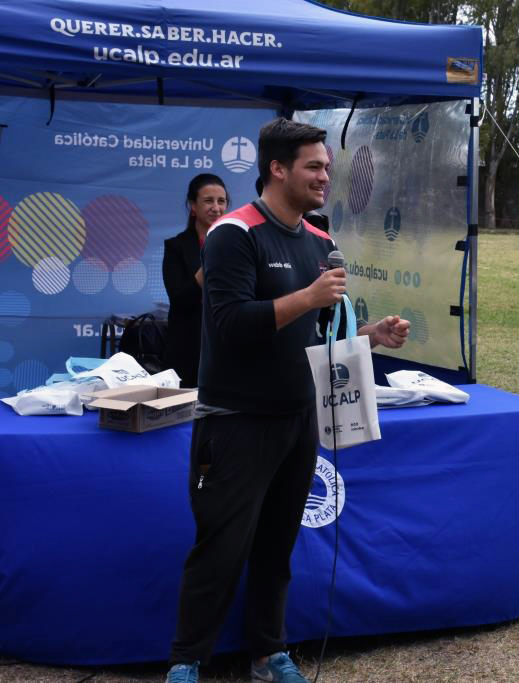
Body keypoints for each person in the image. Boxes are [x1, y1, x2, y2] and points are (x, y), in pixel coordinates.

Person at [165, 119, 410, 683]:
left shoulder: (322, 242)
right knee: (221, 549)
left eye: (327, 166)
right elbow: (228, 325)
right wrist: (305, 297)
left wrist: (369, 335)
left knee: (277, 547)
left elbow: (320, 334)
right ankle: (186, 661)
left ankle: (267, 652)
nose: (326, 176)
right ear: (277, 169)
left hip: (300, 417)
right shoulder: (234, 233)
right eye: (314, 166)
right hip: (235, 422)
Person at [162, 174, 229, 387]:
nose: (216, 207)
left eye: (221, 201)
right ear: (193, 206)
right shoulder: (176, 247)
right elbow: (179, 298)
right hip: (188, 348)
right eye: (208, 201)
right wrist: (210, 260)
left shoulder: (238, 244)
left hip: (228, 346)